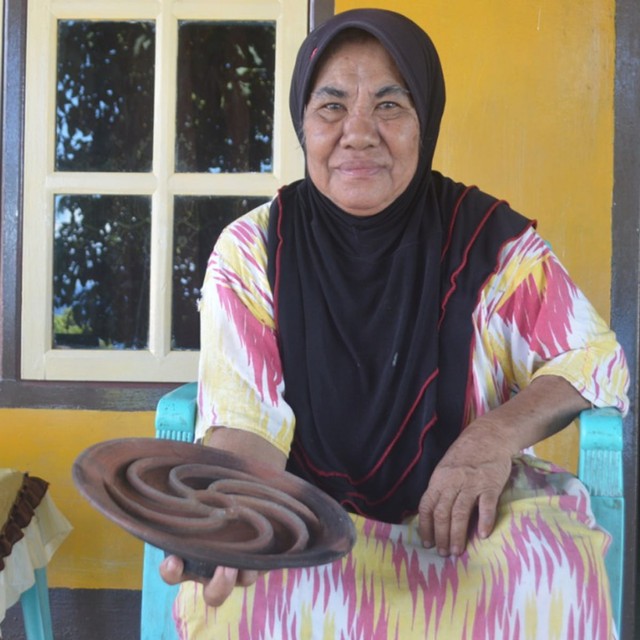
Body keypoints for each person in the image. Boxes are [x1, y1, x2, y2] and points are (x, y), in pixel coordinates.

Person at [160, 8, 629, 639]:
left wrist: (489, 441)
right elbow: (247, 424)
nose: (358, 133)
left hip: (465, 516)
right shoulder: (252, 249)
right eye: (330, 106)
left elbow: (592, 358)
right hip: (303, 511)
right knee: (231, 602)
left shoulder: (488, 239)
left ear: (425, 121)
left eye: (389, 105)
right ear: (303, 122)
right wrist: (233, 507)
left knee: (554, 577)